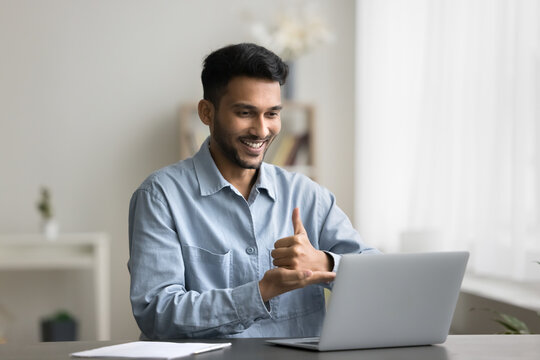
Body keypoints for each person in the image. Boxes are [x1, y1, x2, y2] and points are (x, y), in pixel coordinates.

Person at [128, 43, 379, 340]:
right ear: (207, 113)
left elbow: (378, 277)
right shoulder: (160, 197)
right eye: (246, 113)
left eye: (272, 114)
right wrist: (262, 292)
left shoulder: (307, 195)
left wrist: (324, 262)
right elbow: (158, 312)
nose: (261, 130)